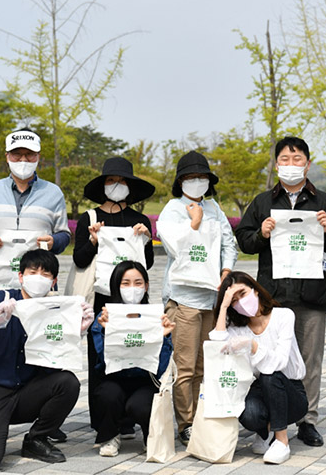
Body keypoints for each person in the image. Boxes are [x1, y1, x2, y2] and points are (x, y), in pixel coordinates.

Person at [234, 137, 326, 447]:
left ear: (308, 164)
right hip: (272, 297)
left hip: (312, 295)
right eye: (284, 159)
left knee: (310, 360)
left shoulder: (324, 201)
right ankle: (270, 419)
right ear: (276, 165)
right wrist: (261, 233)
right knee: (267, 359)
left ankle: (307, 421)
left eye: (297, 159)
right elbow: (244, 240)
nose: (290, 164)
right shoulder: (263, 202)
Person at [0, 249, 94, 472]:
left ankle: (36, 438)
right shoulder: (0, 299)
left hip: (26, 392)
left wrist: (75, 333)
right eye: (33, 272)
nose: (39, 278)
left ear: (53, 282)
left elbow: (55, 364)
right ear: (21, 276)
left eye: (46, 274)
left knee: (68, 383)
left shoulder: (54, 310)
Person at [156, 150, 237, 445]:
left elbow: (229, 242)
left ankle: (202, 417)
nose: (197, 182)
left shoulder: (215, 207)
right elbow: (174, 247)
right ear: (180, 181)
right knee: (186, 366)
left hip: (211, 298)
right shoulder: (172, 210)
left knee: (205, 366)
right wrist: (194, 222)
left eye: (202, 177)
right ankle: (186, 423)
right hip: (184, 299)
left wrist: (226, 270)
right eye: (190, 177)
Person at [73, 156, 156, 434]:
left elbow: (147, 264)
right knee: (100, 360)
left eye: (122, 181)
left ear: (130, 186)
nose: (116, 185)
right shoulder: (90, 218)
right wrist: (93, 241)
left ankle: (129, 417)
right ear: (103, 185)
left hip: (133, 300)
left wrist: (146, 239)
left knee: (132, 353)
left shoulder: (140, 220)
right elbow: (79, 259)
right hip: (101, 299)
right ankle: (103, 422)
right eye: (111, 180)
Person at [209, 271, 308, 465]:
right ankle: (265, 431)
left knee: (270, 374)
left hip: (291, 391)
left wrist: (253, 346)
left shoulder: (283, 316)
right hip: (259, 389)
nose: (241, 302)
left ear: (255, 290)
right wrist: (224, 306)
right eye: (234, 301)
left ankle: (281, 440)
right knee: (250, 415)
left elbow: (279, 363)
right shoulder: (238, 329)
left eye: (243, 294)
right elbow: (216, 343)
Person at [89, 261, 175, 456]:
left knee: (140, 405)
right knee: (107, 395)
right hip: (114, 379)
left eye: (138, 283)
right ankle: (110, 436)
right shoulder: (105, 317)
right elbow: (101, 361)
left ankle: (150, 435)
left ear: (146, 286)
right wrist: (104, 331)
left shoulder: (155, 317)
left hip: (145, 381)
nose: (132, 289)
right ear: (116, 286)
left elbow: (161, 367)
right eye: (125, 283)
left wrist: (164, 337)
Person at [0, 128, 71, 285]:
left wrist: (54, 241)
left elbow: (64, 235)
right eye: (17, 154)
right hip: (1, 279)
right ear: (7, 157)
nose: (23, 160)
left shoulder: (53, 192)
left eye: (29, 154)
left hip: (42, 280)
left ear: (38, 157)